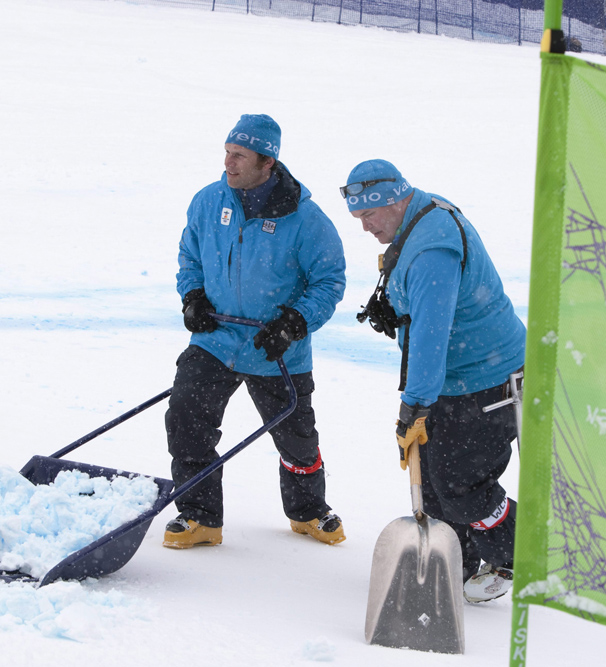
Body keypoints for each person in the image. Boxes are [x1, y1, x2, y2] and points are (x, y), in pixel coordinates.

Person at [343, 159, 525, 602]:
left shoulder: (431, 251)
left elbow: (431, 333)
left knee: (463, 485)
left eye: (369, 215)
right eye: (358, 219)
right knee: (438, 484)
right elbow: (424, 310)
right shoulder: (419, 217)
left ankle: (518, 555)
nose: (365, 227)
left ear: (395, 200)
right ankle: (453, 564)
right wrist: (396, 308)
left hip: (486, 378)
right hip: (454, 377)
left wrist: (415, 404)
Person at [164, 114, 347, 549]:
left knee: (297, 438)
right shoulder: (208, 202)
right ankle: (199, 517)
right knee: (186, 418)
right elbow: (189, 254)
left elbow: (329, 281)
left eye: (239, 156)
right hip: (217, 339)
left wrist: (294, 322)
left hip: (276, 347)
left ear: (267, 163)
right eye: (227, 153)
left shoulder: (306, 219)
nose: (228, 163)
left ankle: (307, 512)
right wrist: (193, 297)